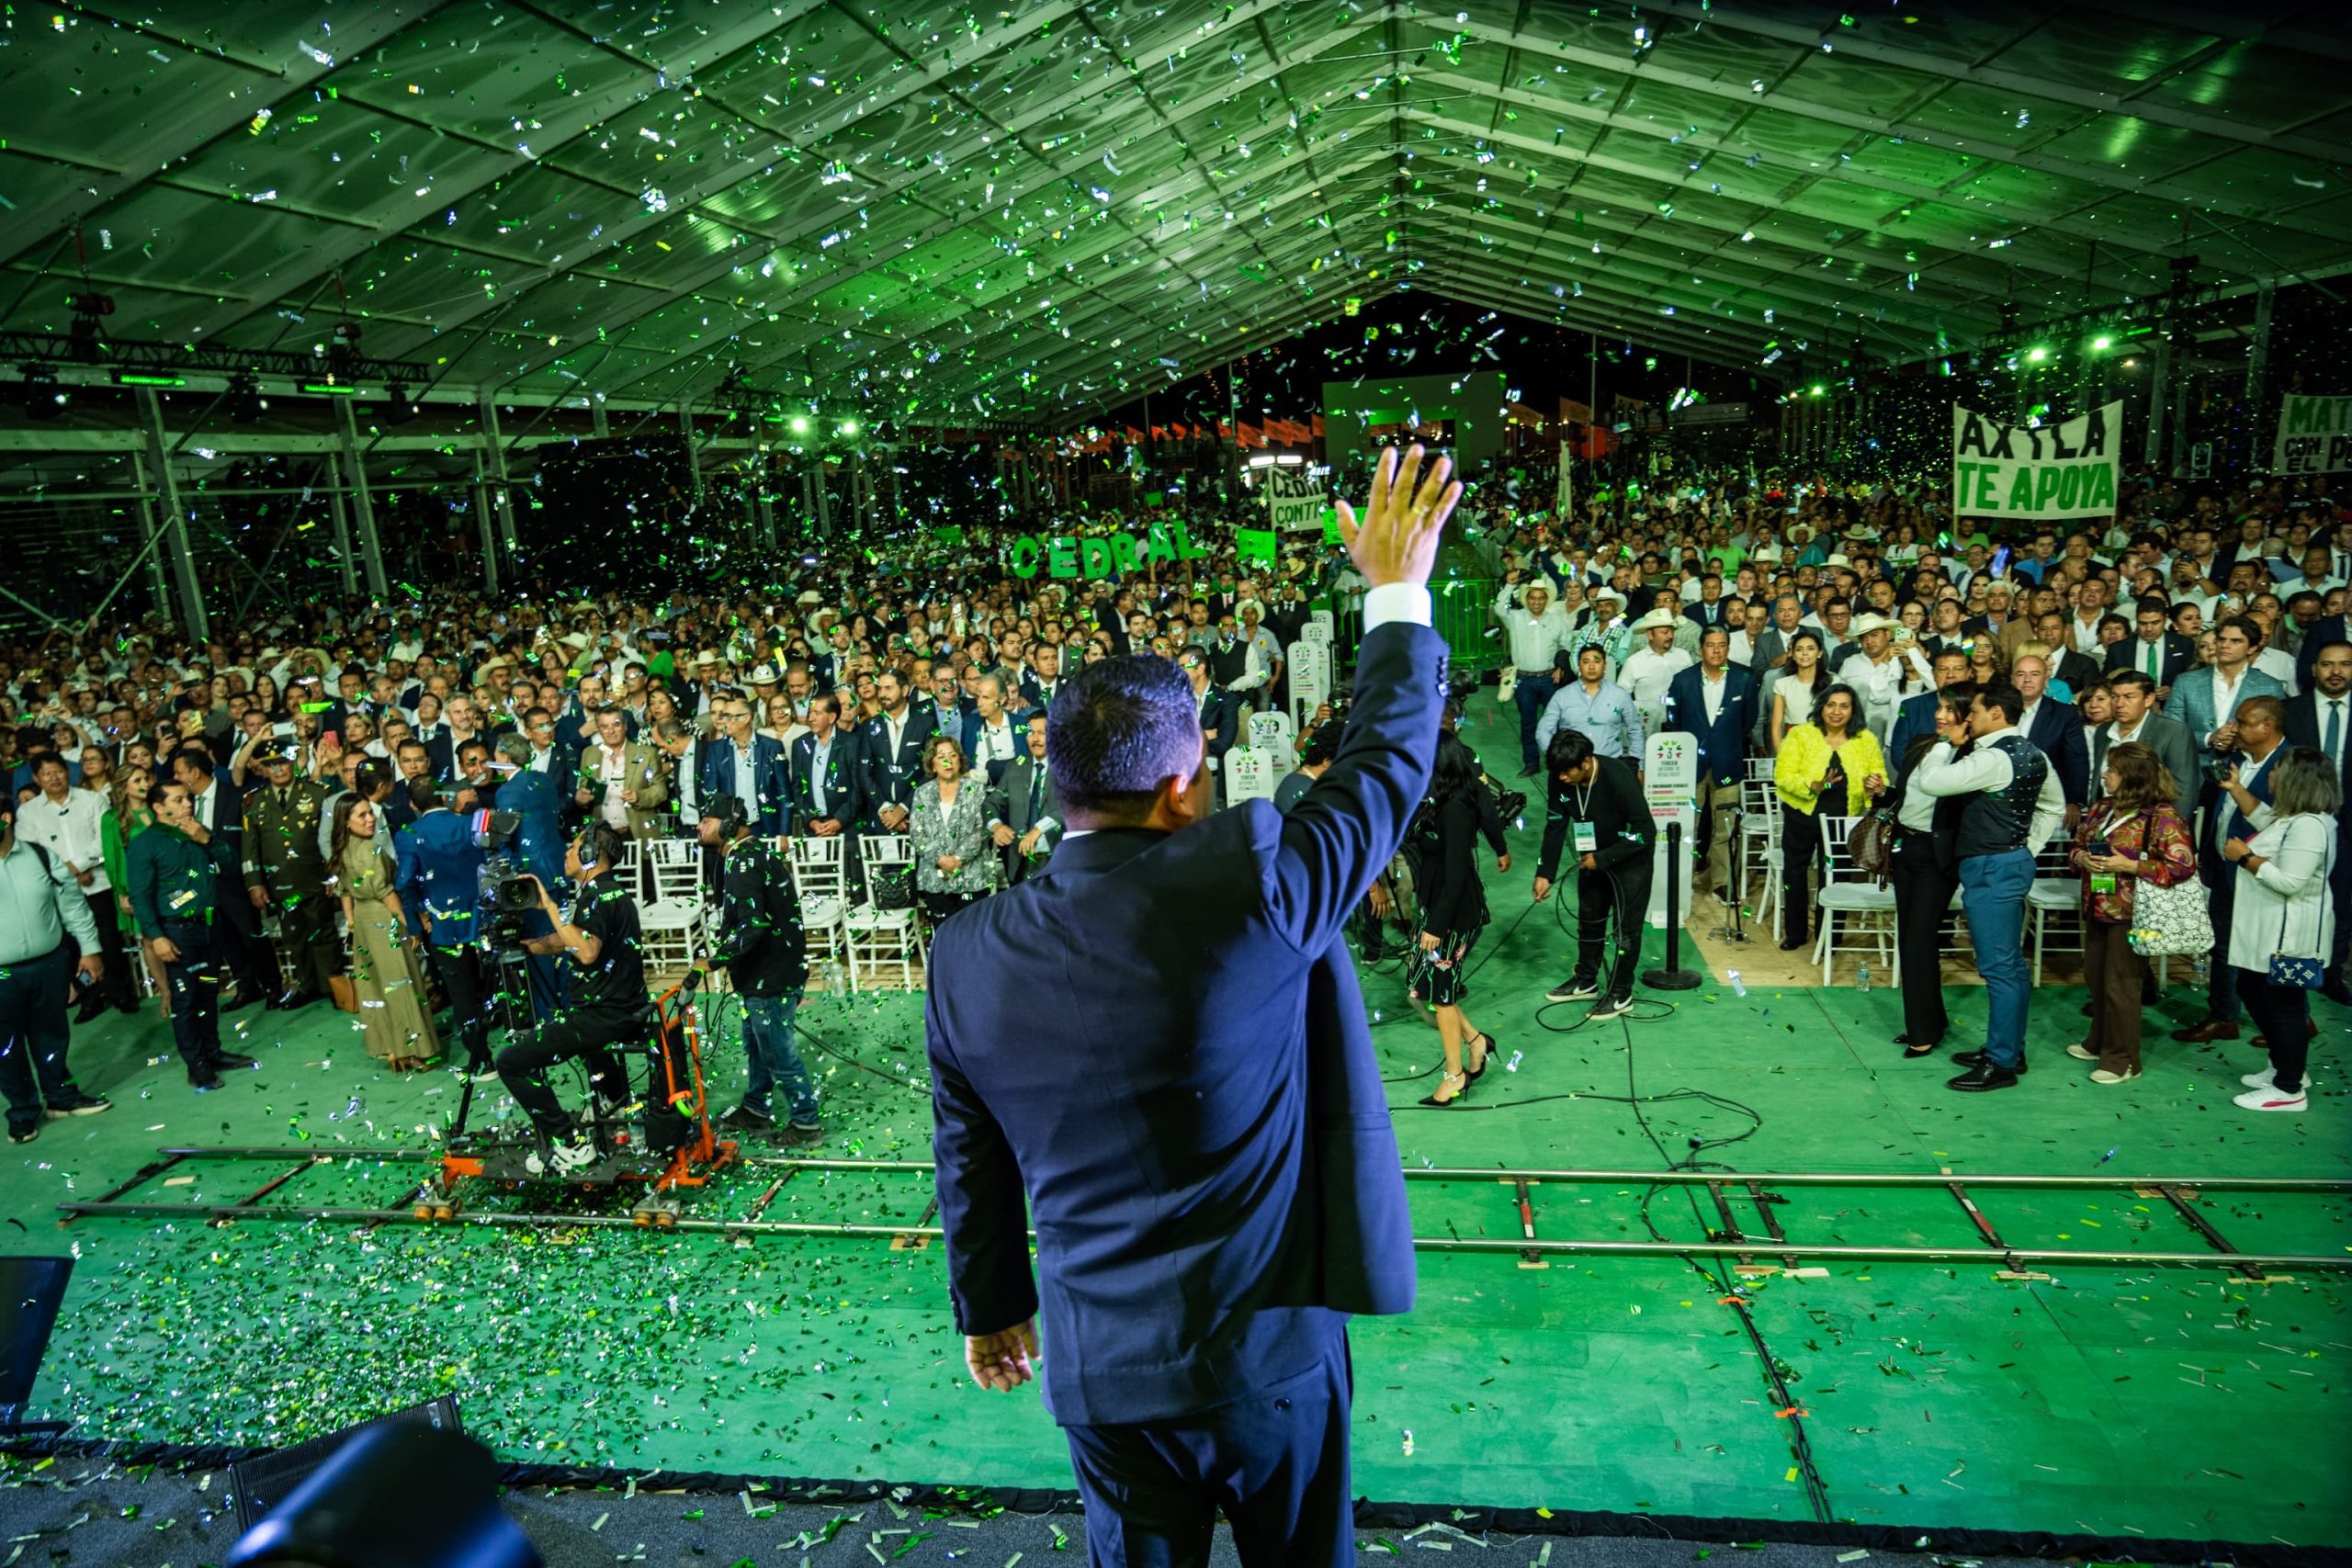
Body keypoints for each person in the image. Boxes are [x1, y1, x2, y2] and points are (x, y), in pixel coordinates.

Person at [923, 444, 1457, 1567]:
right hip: (1266, 1361)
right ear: (1184, 781)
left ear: (1054, 777)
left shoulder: (964, 954)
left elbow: (967, 1154)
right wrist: (1394, 590)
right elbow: (1386, 768)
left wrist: (988, 1305)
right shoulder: (1251, 888)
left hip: (1101, 1368)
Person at [1909, 683, 2067, 1091]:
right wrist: (2028, 846)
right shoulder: (2034, 753)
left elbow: (1934, 782)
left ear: (1997, 713)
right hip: (2006, 861)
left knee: (2000, 968)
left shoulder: (1995, 758)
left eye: (1975, 711)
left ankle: (2001, 1063)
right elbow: (2053, 805)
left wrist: (1945, 742)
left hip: (1991, 867)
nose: (1968, 718)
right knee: (2010, 966)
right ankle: (2008, 1048)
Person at [504, 821, 650, 1175]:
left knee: (511, 1062)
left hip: (602, 1016)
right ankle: (614, 1107)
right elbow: (575, 937)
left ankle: (569, 1143)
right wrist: (532, 946)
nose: (566, 853)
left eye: (572, 848)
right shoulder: (611, 892)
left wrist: (549, 906)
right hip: (625, 1008)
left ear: (588, 855)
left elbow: (584, 951)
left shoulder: (596, 897)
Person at [2067, 743, 2195, 1084]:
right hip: (2097, 905)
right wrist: (2082, 859)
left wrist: (2128, 864)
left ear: (2132, 777)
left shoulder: (2163, 817)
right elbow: (2077, 845)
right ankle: (2098, 1041)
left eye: (2112, 769)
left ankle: (2123, 1060)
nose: (2105, 774)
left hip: (2135, 914)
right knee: (2096, 977)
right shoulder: (2101, 808)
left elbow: (2182, 867)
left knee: (2121, 985)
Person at [697, 795, 821, 1144]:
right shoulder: (751, 855)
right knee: (757, 1044)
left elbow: (753, 926)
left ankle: (806, 1124)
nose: (698, 827)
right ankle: (756, 1109)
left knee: (778, 1052)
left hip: (771, 976)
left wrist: (715, 960)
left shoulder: (744, 863)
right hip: (767, 972)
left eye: (705, 820)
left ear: (726, 825)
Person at [2222, 748, 2340, 1113]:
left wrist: (2245, 857)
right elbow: (2263, 818)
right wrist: (2235, 788)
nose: (2270, 776)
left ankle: (2289, 1089)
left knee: (2285, 1007)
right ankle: (2284, 1066)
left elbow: (2291, 881)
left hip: (2290, 938)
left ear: (2295, 780)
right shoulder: (2294, 818)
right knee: (2249, 988)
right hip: (2269, 932)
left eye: (2276, 771)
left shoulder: (2311, 825)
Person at [126, 780, 258, 1093]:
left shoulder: (199, 833)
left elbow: (230, 864)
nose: (188, 803)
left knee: (208, 993)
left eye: (189, 798)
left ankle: (212, 1052)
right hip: (176, 930)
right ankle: (196, 1063)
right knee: (185, 1000)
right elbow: (140, 896)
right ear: (159, 807)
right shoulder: (145, 844)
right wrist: (156, 936)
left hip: (210, 927)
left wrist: (206, 838)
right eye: (179, 799)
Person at [2175, 694, 2290, 1045]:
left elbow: (2284, 824)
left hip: (2264, 873)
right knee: (2223, 946)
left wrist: (2237, 791)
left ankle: (2292, 1019)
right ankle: (2224, 1016)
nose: (2234, 729)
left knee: (2271, 948)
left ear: (2266, 726)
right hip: (2225, 869)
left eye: (2242, 722)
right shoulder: (2237, 759)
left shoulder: (2293, 764)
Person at [0, 797, 117, 1143]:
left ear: (5, 818)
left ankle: (61, 1098)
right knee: (6, 1046)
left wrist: (91, 949)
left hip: (49, 963)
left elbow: (72, 906)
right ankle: (22, 1112)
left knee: (52, 1034)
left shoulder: (40, 856)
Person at [1408, 731, 1506, 1106]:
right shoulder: (1437, 798)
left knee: (1441, 996)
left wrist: (1436, 926)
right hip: (1434, 904)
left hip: (1451, 913)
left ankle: (1454, 1077)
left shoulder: (1456, 808)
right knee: (1426, 985)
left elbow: (1456, 874)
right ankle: (1476, 1041)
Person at [1533, 727, 1655, 1021]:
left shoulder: (1618, 777)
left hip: (1629, 860)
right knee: (1589, 920)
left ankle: (1621, 992)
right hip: (1592, 858)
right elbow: (1555, 823)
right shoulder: (1559, 776)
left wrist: (1604, 858)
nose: (1561, 778)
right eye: (1558, 773)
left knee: (1626, 932)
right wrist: (1544, 872)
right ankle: (1586, 980)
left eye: (1567, 773)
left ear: (1586, 762)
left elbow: (1645, 832)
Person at [17, 752, 137, 1021]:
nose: (54, 777)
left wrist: (80, 866)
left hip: (97, 884)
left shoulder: (92, 799)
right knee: (72, 947)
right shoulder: (27, 812)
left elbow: (104, 840)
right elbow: (34, 851)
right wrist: (69, 874)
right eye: (47, 774)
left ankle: (120, 993)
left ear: (67, 771)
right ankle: (89, 998)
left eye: (58, 771)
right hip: (58, 890)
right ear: (37, 779)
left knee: (108, 942)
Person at [1884, 686, 1970, 1058]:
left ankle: (1922, 1031)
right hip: (1906, 849)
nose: (1940, 714)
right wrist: (1883, 794)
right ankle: (1929, 1021)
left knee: (1919, 941)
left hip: (1938, 858)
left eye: (1950, 710)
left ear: (1967, 717)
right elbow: (1907, 798)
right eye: (1939, 707)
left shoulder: (1973, 756)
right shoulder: (1922, 744)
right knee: (1911, 939)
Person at [392, 780, 497, 1079]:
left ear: (412, 805)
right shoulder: (471, 824)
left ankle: (482, 1061)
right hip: (485, 919)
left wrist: (416, 921)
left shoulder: (409, 835)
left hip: (445, 925)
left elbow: (404, 883)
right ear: (443, 797)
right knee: (496, 987)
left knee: (462, 996)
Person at [332, 794, 441, 1071]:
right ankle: (413, 1051)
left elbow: (344, 891)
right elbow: (387, 893)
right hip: (384, 917)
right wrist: (408, 925)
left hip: (363, 920)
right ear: (346, 821)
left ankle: (393, 1050)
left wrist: (352, 922)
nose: (370, 819)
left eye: (370, 813)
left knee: (376, 986)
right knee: (401, 984)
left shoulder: (342, 849)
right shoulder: (369, 850)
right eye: (362, 815)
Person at [1771, 684, 1884, 953]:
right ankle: (1795, 933)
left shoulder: (1865, 739)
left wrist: (1875, 786)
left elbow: (1879, 774)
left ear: (1853, 710)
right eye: (1831, 705)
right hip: (1802, 816)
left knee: (1834, 877)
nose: (1836, 711)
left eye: (1844, 706)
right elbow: (1783, 775)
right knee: (1795, 874)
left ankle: (1830, 935)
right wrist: (1813, 785)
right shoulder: (1800, 734)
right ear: (1821, 707)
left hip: (1842, 821)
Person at [242, 739, 341, 1010]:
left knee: (323, 934)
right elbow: (249, 848)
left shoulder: (318, 793)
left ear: (292, 763)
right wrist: (254, 884)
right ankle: (307, 986)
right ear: (263, 769)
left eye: (282, 763)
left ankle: (334, 988)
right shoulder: (253, 801)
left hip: (315, 879)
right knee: (294, 938)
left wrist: (333, 874)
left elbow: (333, 839)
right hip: (280, 884)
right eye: (271, 765)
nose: (278, 769)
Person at [2279, 640, 2352, 1002]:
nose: (2335, 671)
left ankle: (2333, 972)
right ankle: (2293, 967)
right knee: (2298, 894)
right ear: (2314, 669)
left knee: (2344, 899)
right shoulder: (2291, 711)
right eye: (2327, 664)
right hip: (2301, 815)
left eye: (2344, 664)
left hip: (2351, 821)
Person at [1664, 626, 1758, 901]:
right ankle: (1680, 878)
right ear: (1700, 648)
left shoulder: (1744, 678)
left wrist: (1723, 744)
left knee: (1725, 827)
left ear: (1728, 648)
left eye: (1722, 645)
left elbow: (1748, 721)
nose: (1716, 650)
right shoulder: (1682, 680)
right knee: (1686, 825)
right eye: (1710, 645)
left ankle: (1722, 883)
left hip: (1728, 764)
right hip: (1690, 767)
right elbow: (1673, 721)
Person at [100, 766, 168, 1016]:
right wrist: (122, 892)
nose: (144, 783)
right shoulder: (112, 818)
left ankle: (186, 991)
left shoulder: (159, 809)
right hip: (138, 889)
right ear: (123, 786)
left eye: (146, 778)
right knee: (151, 940)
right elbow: (113, 859)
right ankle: (166, 992)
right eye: (137, 780)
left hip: (168, 884)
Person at [909, 734, 995, 926]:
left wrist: (957, 860)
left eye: (953, 755)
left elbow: (983, 830)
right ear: (932, 764)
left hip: (972, 876)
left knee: (973, 935)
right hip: (935, 878)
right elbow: (916, 833)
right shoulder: (922, 793)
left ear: (960, 760)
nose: (948, 761)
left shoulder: (976, 790)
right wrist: (940, 859)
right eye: (941, 757)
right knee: (944, 936)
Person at [1494, 573, 1571, 773]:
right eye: (1532, 598)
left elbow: (1566, 643)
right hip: (1524, 679)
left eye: (1540, 598)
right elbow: (1499, 608)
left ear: (1546, 600)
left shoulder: (1556, 620)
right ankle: (1531, 763)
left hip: (1549, 678)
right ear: (1527, 599)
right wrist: (1510, 585)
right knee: (1528, 724)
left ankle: (1556, 762)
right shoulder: (1516, 618)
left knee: (1555, 723)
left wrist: (1561, 665)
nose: (1536, 602)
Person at [984, 712, 1063, 882]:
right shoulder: (1014, 767)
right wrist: (996, 826)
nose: (1035, 739)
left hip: (1057, 862)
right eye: (1030, 733)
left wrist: (1039, 829)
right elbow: (990, 803)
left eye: (1042, 733)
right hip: (1019, 863)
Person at [1535, 644, 1645, 762]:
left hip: (1610, 764)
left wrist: (1638, 765)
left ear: (1605, 665)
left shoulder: (1620, 695)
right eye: (1586, 661)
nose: (1591, 667)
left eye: (1597, 661)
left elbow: (1635, 731)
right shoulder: (1562, 696)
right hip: (1573, 765)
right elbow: (1543, 730)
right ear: (1579, 666)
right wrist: (1557, 757)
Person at [572, 705, 671, 839]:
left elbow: (660, 790)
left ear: (625, 726)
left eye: (616, 725)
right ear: (599, 729)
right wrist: (580, 799)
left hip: (637, 833)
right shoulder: (589, 754)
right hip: (601, 836)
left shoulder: (647, 754)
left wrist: (639, 796)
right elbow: (584, 788)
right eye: (605, 727)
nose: (611, 731)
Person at [786, 693, 865, 837]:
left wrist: (839, 820)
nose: (811, 718)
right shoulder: (800, 744)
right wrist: (811, 820)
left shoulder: (852, 743)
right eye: (810, 713)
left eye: (816, 713)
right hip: (813, 829)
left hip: (847, 829)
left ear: (831, 717)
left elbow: (858, 788)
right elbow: (797, 788)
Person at [1767, 630, 1829, 753]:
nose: (1805, 653)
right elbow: (1776, 727)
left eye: (1810, 648)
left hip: (1826, 745)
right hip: (1794, 747)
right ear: (1793, 655)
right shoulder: (1782, 684)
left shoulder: (1834, 682)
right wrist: (1782, 757)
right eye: (1799, 649)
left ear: (1819, 653)